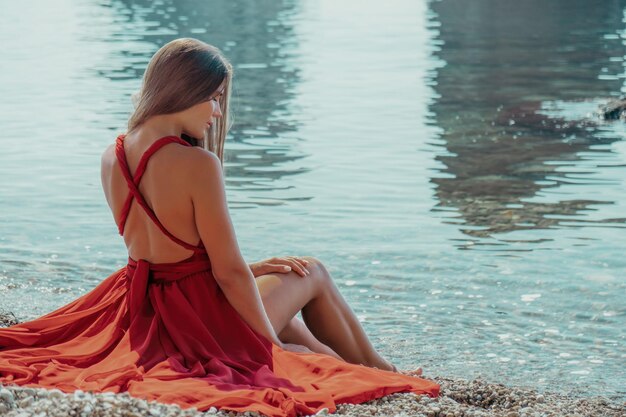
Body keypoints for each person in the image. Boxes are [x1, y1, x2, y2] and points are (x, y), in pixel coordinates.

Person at [0, 38, 439, 417]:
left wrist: (257, 269)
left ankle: (355, 365)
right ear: (183, 90)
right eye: (212, 97)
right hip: (195, 314)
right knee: (313, 272)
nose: (215, 111)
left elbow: (168, 253)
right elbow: (227, 273)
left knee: (287, 303)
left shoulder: (112, 154)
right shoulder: (197, 163)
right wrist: (268, 347)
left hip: (142, 303)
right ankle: (382, 369)